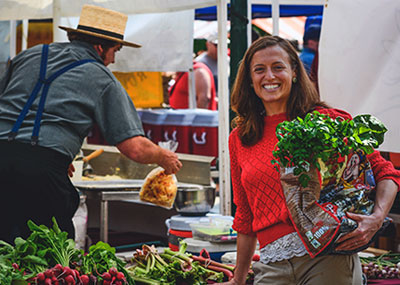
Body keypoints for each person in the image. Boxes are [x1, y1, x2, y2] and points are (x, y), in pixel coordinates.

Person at [225, 35, 400, 285]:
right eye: (259, 70)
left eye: (278, 67)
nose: (269, 77)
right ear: (250, 80)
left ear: (294, 73)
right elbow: (245, 217)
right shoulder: (240, 138)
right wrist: (238, 279)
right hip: (271, 265)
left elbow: (386, 172)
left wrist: (377, 218)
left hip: (329, 259)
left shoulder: (328, 122)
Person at [0, 4, 182, 244]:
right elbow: (134, 147)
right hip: (42, 176)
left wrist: (52, 152)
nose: (114, 60)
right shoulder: (100, 76)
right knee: (47, 255)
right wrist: (163, 157)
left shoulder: (29, 55)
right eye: (115, 51)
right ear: (100, 47)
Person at [195, 31, 220, 95]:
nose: (220, 48)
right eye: (216, 45)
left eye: (223, 45)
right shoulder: (200, 62)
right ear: (208, 44)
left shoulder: (227, 60)